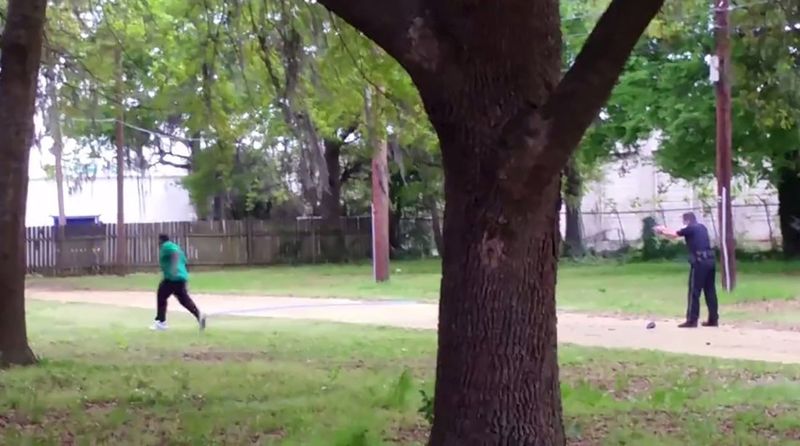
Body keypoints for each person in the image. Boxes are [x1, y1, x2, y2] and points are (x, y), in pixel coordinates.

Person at [655, 212, 719, 328]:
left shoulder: (690, 228)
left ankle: (692, 320)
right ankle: (713, 319)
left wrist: (662, 230)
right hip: (710, 261)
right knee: (710, 291)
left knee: (694, 291)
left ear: (687, 221)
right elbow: (676, 235)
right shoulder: (702, 227)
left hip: (699, 262)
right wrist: (665, 233)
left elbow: (675, 234)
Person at [151, 234, 206, 331]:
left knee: (161, 295)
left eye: (158, 241)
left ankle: (161, 322)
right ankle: (199, 315)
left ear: (160, 240)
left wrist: (173, 268)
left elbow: (175, 254)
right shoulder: (176, 247)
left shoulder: (166, 246)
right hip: (180, 278)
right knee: (184, 300)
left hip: (172, 277)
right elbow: (184, 261)